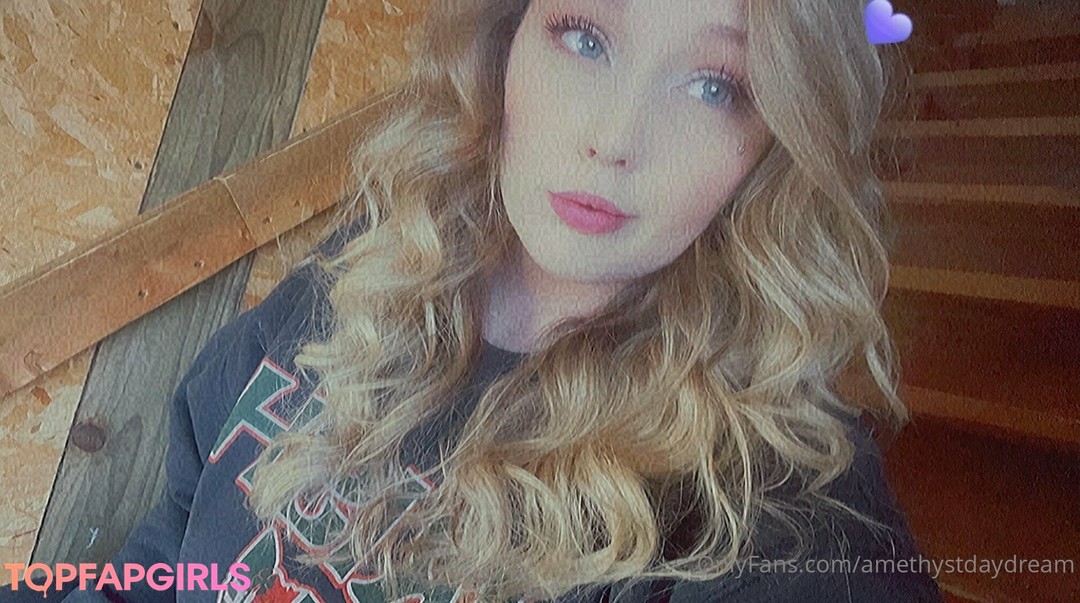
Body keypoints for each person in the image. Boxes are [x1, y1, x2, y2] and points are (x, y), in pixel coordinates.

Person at [1, 0, 942, 600]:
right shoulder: (371, 268)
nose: (615, 136)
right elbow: (176, 535)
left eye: (715, 85)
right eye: (585, 35)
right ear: (505, 45)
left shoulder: (786, 513)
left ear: (777, 142)